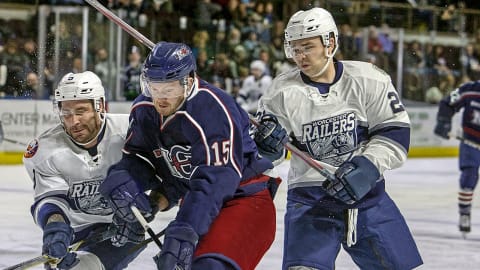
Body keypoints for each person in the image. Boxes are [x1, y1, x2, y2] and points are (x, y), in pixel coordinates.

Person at [253, 7, 423, 270]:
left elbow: (395, 132)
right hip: (310, 203)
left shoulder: (369, 78)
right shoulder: (281, 92)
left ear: (330, 43)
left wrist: (367, 168)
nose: (300, 56)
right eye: (295, 49)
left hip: (369, 201)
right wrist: (266, 147)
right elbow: (266, 157)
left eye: (308, 46)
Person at [98, 42, 281, 270]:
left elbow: (215, 180)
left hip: (244, 201)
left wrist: (186, 228)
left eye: (170, 89)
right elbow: (147, 162)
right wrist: (127, 184)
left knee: (209, 267)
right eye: (154, 87)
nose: (160, 98)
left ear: (189, 80)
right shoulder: (143, 109)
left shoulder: (213, 109)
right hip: (198, 204)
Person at [22, 71, 146, 269]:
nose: (74, 122)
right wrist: (55, 227)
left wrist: (142, 212)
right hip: (75, 230)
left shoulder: (132, 131)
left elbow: (166, 174)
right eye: (66, 114)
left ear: (100, 106)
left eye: (81, 112)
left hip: (125, 229)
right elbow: (50, 199)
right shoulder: (45, 149)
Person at [434, 80, 480, 236]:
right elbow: (448, 102)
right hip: (471, 143)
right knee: (469, 177)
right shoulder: (469, 90)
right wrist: (443, 121)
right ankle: (465, 213)